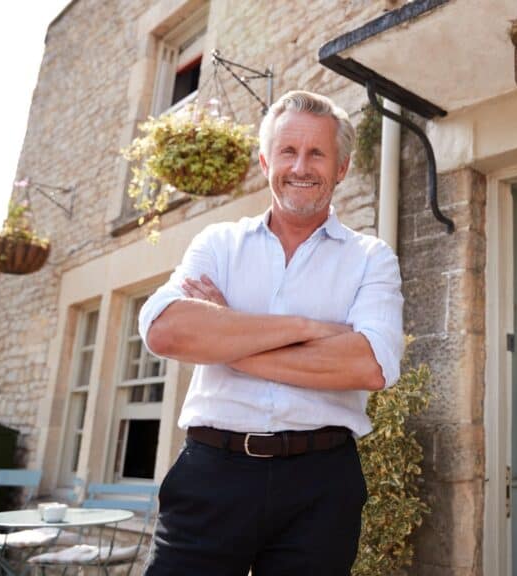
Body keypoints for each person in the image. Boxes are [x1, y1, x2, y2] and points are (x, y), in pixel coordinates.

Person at [138, 90, 404, 576]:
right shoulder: (217, 243)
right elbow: (166, 330)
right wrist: (307, 329)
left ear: (341, 168)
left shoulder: (371, 257)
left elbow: (371, 364)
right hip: (212, 474)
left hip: (320, 484)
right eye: (288, 151)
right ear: (265, 161)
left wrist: (230, 342)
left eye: (317, 153)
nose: (300, 166)